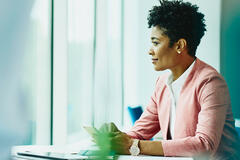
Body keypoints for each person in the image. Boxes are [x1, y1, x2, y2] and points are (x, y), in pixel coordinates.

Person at [93, 0, 240, 159]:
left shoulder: (210, 83)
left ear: (179, 46)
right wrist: (116, 137)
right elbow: (140, 133)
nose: (150, 51)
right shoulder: (162, 83)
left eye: (155, 43)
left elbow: (204, 145)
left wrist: (132, 145)